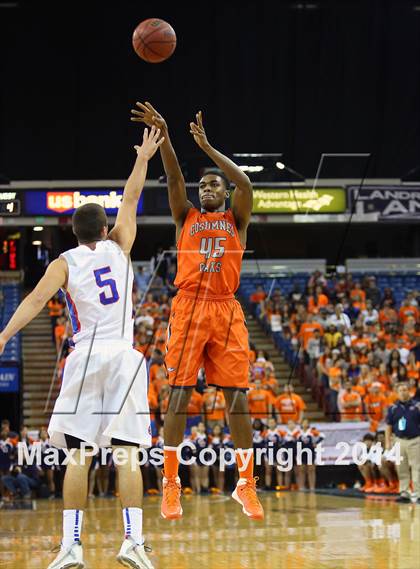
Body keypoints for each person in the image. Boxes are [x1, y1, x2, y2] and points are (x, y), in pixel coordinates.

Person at [0, 126, 163, 568]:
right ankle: (133, 542)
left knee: (79, 455)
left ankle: (72, 546)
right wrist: (143, 157)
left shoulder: (64, 263)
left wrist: (2, 337)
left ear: (72, 233)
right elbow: (130, 198)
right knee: (128, 455)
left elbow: (35, 301)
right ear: (105, 228)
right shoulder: (121, 248)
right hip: (126, 358)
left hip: (87, 356)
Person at [131, 102, 264, 521]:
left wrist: (207, 148)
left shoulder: (237, 218)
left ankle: (246, 484)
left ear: (223, 193)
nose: (206, 189)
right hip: (189, 308)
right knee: (179, 395)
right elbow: (172, 176)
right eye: (202, 185)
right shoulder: (185, 214)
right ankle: (171, 484)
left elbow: (245, 183)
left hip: (226, 310)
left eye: (212, 185)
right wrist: (168, 136)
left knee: (237, 399)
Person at [385, 382, 420, 503]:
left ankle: (418, 493)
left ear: (409, 391)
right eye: (401, 390)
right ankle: (404, 492)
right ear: (397, 393)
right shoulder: (393, 408)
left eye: (405, 390)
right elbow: (388, 426)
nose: (403, 392)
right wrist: (388, 443)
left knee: (417, 467)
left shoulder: (417, 406)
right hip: (399, 440)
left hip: (415, 440)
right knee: (401, 468)